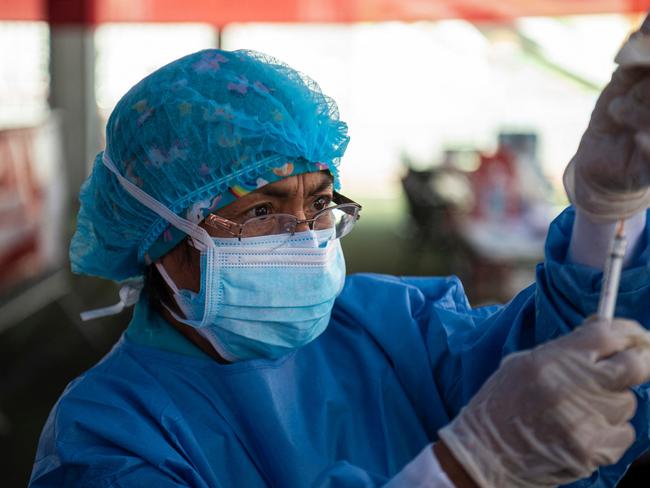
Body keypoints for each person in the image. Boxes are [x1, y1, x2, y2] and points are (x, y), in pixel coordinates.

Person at [29, 38, 650, 487]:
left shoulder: (384, 326)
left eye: (320, 203)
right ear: (165, 235)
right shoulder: (109, 435)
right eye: (262, 212)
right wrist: (463, 469)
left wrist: (608, 214)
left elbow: (559, 367)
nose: (303, 238)